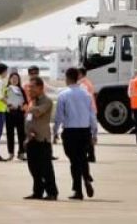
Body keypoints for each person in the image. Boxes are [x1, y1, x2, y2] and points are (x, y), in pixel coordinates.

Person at [54, 67, 96, 201]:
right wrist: (94, 133)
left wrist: (54, 132)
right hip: (84, 130)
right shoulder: (86, 94)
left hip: (70, 131)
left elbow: (59, 116)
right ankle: (86, 176)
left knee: (74, 161)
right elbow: (92, 115)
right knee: (83, 157)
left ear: (67, 78)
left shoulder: (63, 95)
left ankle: (78, 190)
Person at [24, 76, 57, 201]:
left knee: (46, 168)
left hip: (42, 140)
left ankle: (52, 192)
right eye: (28, 87)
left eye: (32, 87)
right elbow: (28, 120)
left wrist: (28, 108)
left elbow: (38, 112)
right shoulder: (32, 101)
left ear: (40, 88)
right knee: (33, 167)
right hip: (31, 140)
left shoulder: (47, 101)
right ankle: (37, 192)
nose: (29, 89)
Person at [5, 72, 27, 161]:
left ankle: (21, 153)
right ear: (9, 80)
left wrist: (23, 107)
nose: (14, 80)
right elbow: (2, 100)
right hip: (9, 114)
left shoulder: (21, 90)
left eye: (16, 79)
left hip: (19, 114)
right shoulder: (6, 89)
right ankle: (11, 153)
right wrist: (9, 105)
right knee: (10, 135)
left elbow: (26, 103)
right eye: (13, 78)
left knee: (21, 134)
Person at [77, 67, 97, 162]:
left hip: (86, 111)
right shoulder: (88, 82)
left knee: (85, 135)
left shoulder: (82, 85)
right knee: (87, 134)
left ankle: (89, 155)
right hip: (90, 109)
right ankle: (91, 155)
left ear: (80, 74)